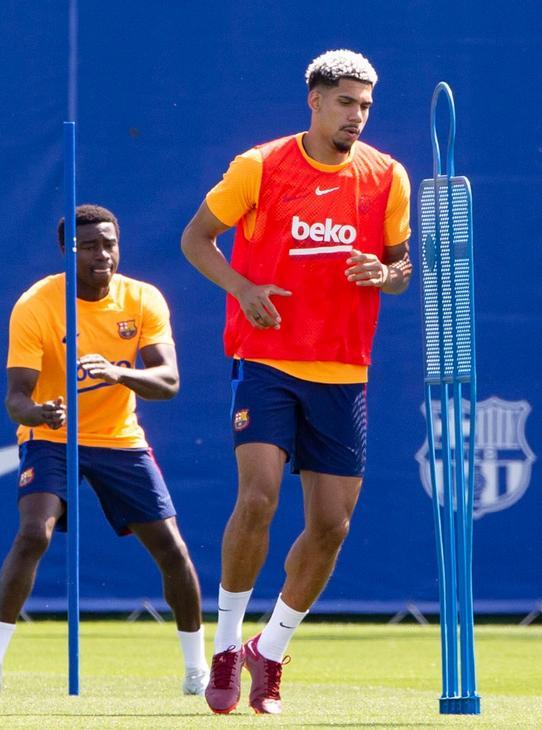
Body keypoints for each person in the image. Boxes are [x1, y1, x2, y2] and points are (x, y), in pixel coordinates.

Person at [180, 49, 412, 715]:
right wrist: (242, 287)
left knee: (331, 527)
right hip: (268, 362)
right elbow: (196, 240)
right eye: (345, 102)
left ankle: (270, 651)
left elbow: (401, 269)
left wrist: (384, 275)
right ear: (313, 100)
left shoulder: (387, 177)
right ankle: (225, 646)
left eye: (365, 105)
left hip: (343, 371)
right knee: (257, 499)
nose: (357, 116)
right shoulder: (261, 166)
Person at [0, 204, 209, 696]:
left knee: (172, 549)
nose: (102, 255)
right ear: (66, 251)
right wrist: (40, 413)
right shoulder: (37, 304)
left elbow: (169, 381)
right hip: (52, 436)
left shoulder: (142, 299)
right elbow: (15, 400)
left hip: (119, 437)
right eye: (89, 246)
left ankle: (197, 670)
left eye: (109, 244)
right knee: (34, 533)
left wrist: (120, 374)